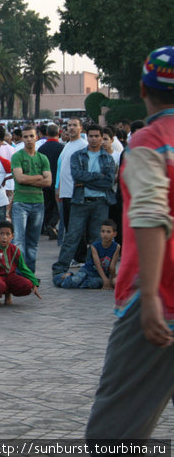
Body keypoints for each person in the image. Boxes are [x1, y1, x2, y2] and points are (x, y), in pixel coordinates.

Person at [85, 46, 174, 441]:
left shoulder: (149, 140)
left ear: (142, 88)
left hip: (157, 300)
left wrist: (151, 293)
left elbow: (152, 217)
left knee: (112, 437)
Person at [51, 125, 116, 277]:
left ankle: (94, 269)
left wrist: (87, 180)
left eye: (96, 136)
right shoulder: (78, 155)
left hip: (100, 202)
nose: (93, 139)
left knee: (97, 238)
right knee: (72, 236)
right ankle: (60, 269)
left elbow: (108, 182)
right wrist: (97, 176)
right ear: (87, 137)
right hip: (80, 201)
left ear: (101, 137)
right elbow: (77, 176)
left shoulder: (107, 158)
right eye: (91, 136)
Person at [11, 125, 51, 273]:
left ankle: (30, 274)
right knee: (18, 241)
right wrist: (39, 177)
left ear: (36, 137)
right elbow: (20, 178)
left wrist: (30, 180)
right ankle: (19, 273)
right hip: (21, 202)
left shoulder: (43, 158)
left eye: (31, 136)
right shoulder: (17, 156)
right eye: (25, 136)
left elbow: (48, 182)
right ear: (22, 138)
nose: (28, 139)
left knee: (33, 243)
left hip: (38, 203)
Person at [0, 220, 41, 306]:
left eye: (7, 234)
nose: (4, 237)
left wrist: (34, 283)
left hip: (10, 276)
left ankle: (8, 293)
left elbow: (23, 268)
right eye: (1, 234)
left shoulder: (15, 250)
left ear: (12, 236)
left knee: (27, 285)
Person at [56, 118, 88, 261]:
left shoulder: (83, 145)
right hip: (66, 192)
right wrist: (59, 188)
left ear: (81, 128)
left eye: (75, 125)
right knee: (69, 226)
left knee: (76, 227)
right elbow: (62, 169)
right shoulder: (68, 144)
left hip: (76, 193)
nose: (71, 128)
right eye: (69, 125)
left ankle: (80, 256)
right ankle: (75, 255)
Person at [54, 219, 120, 289]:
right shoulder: (95, 246)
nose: (105, 234)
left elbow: (112, 267)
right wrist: (105, 280)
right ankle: (66, 276)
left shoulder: (116, 247)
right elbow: (98, 265)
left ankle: (80, 283)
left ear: (114, 234)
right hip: (87, 271)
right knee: (71, 282)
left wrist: (112, 281)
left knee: (96, 283)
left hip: (99, 276)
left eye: (108, 232)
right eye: (103, 231)